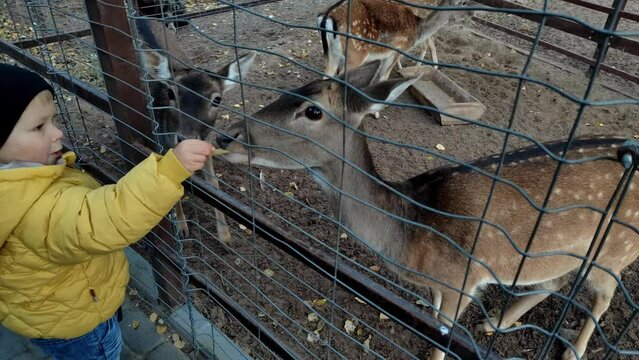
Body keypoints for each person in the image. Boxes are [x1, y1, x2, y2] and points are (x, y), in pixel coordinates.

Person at [0, 63, 214, 359]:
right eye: (39, 127)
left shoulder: (18, 180)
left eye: (52, 121)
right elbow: (108, 218)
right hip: (79, 322)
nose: (57, 132)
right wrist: (169, 170)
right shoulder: (33, 208)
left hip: (43, 312)